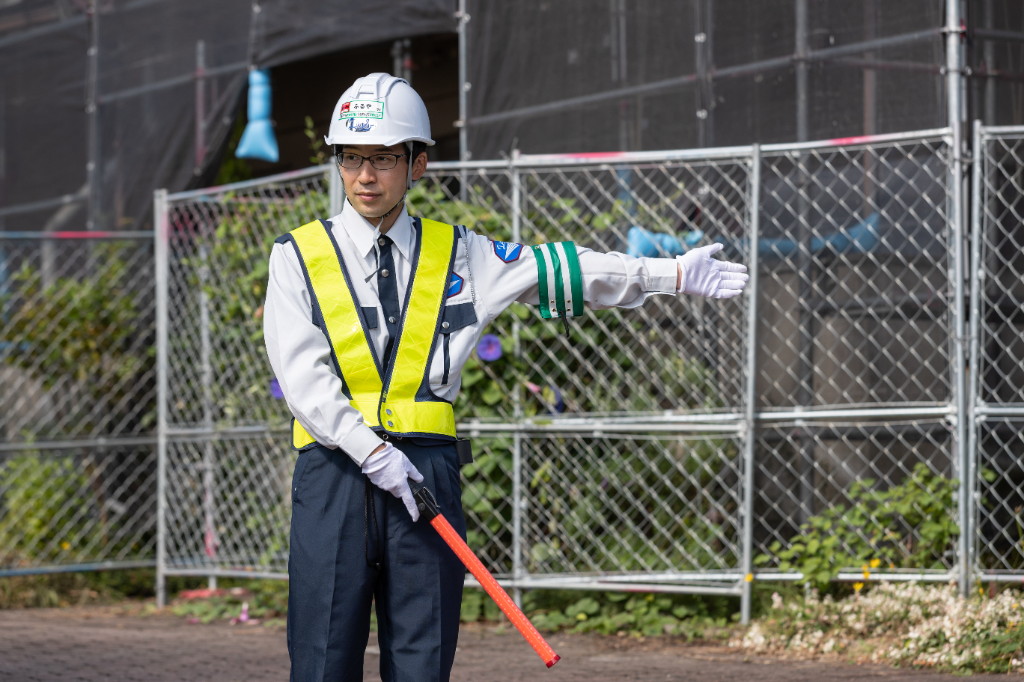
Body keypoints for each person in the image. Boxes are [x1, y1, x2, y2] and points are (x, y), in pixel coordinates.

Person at [263, 72, 748, 682]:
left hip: (425, 478)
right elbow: (303, 379)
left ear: (418, 166)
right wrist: (369, 452)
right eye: (352, 158)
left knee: (422, 661)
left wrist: (669, 274)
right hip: (334, 473)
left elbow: (560, 269)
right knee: (321, 658)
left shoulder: (463, 253)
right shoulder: (296, 255)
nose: (365, 176)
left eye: (384, 159)